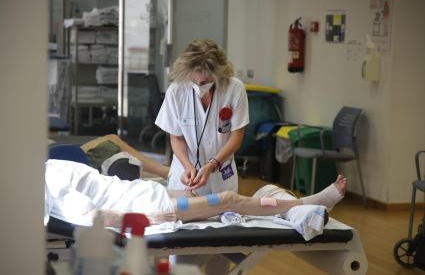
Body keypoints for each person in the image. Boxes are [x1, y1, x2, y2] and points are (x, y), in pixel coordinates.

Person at [44, 159, 346, 228]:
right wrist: (152, 218)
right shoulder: (47, 181)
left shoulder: (48, 165)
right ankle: (309, 203)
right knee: (227, 200)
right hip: (154, 205)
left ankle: (279, 203)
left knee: (217, 192)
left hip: (147, 192)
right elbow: (91, 216)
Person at [155, 39, 249, 195]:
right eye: (194, 79)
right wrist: (187, 166)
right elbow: (176, 138)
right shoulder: (176, 91)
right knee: (183, 217)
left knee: (224, 216)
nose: (199, 84)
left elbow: (237, 136)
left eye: (205, 81)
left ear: (218, 74)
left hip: (221, 174)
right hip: (185, 176)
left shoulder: (234, 89)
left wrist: (212, 164)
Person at [79, 134, 169, 179]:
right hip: (73, 160)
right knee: (111, 142)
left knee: (112, 140)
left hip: (72, 158)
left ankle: (163, 172)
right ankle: (165, 172)